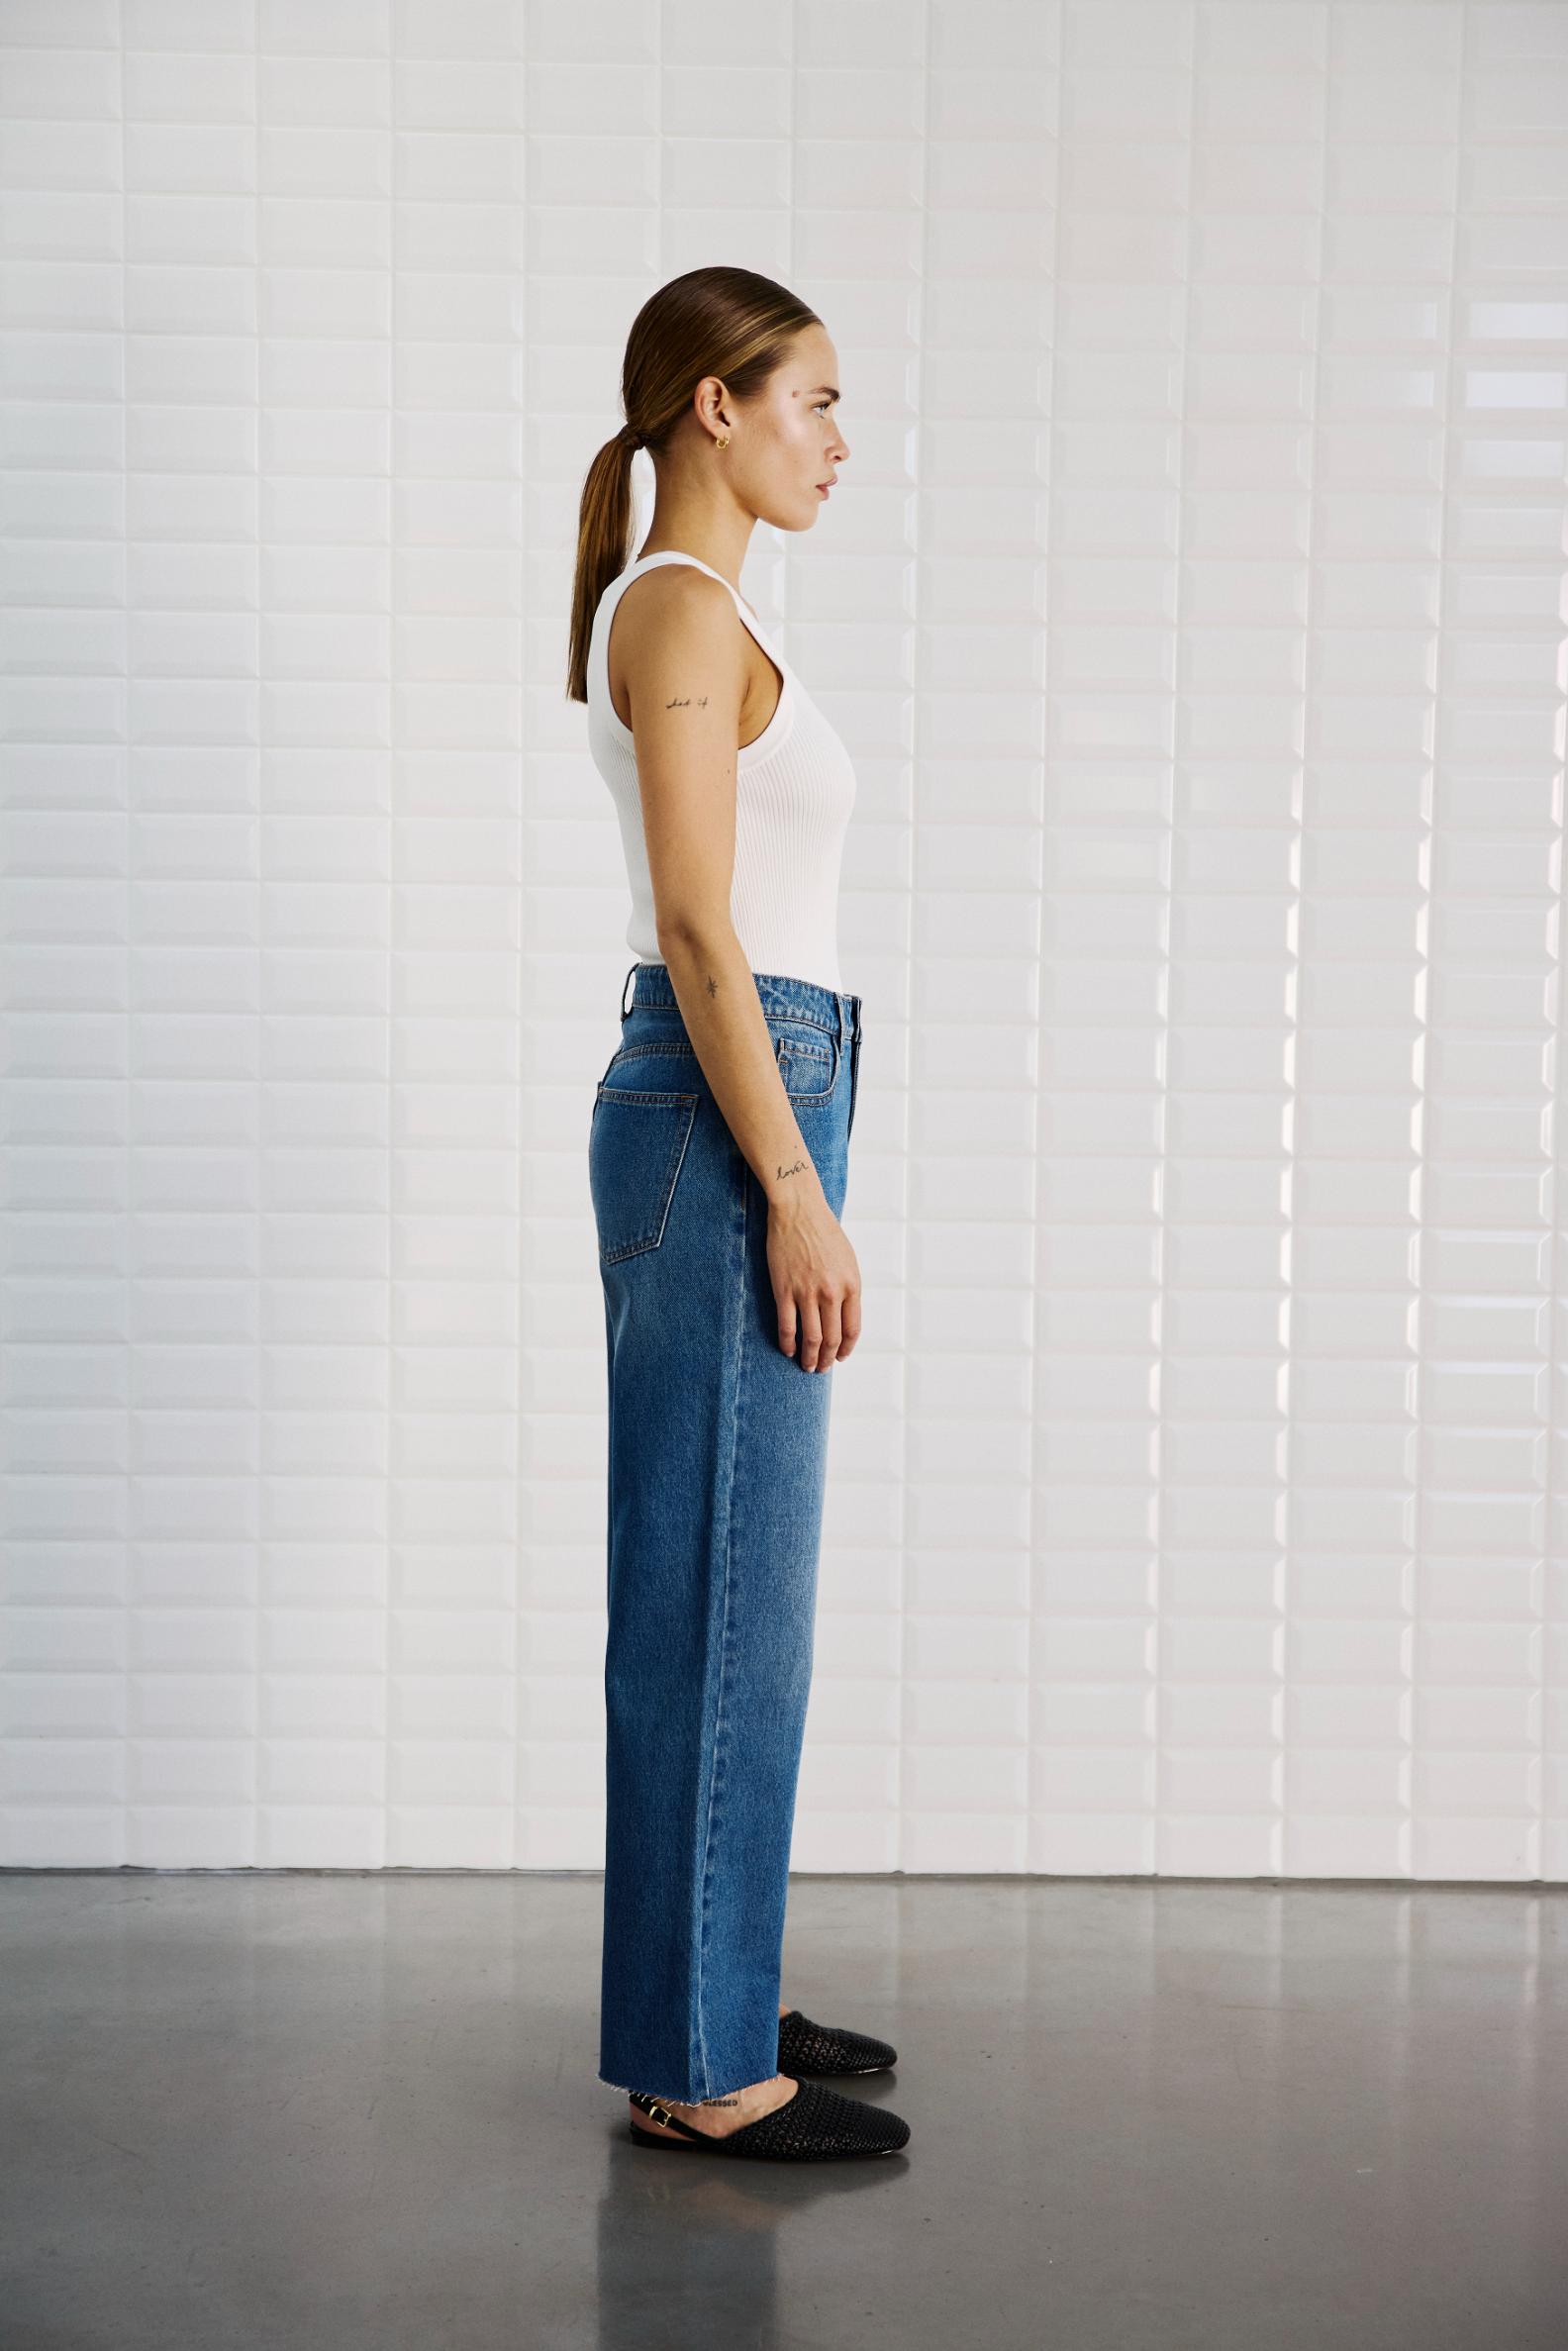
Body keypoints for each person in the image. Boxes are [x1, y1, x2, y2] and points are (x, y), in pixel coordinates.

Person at [566, 267, 911, 2162]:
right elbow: (702, 925)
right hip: (730, 1108)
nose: (839, 443)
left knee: (738, 1591)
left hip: (751, 1088)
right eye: (816, 401)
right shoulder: (682, 606)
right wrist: (793, 1189)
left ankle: (712, 1980)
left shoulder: (702, 604)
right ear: (718, 402)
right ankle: (701, 2069)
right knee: (715, 1592)